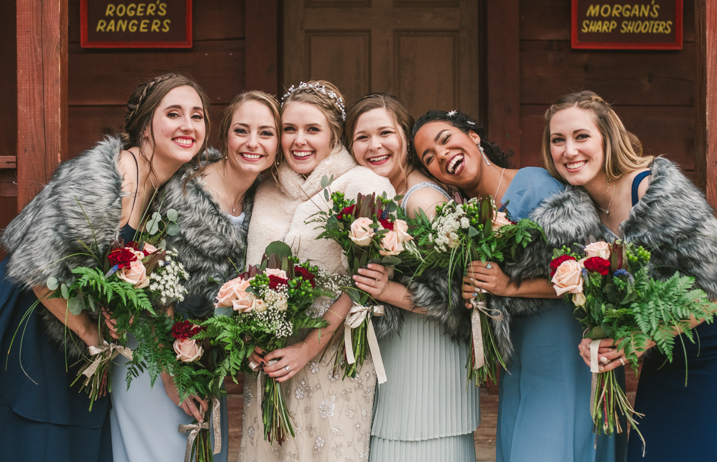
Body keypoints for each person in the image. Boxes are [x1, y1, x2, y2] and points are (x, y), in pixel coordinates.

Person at [0, 73, 208, 462]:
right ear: (146, 128)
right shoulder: (112, 176)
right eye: (174, 114)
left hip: (77, 340)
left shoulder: (167, 192)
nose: (188, 125)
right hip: (27, 325)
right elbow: (36, 264)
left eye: (198, 115)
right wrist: (89, 331)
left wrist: (171, 373)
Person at [545, 91, 717, 461]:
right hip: (665, 359)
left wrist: (640, 341)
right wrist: (599, 337)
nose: (569, 150)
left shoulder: (652, 188)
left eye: (581, 136)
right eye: (558, 140)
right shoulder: (574, 214)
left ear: (607, 138)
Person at [412, 110, 625, 462]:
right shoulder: (457, 218)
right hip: (518, 356)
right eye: (429, 158)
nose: (441, 156)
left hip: (564, 346)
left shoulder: (535, 185)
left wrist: (508, 286)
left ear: (473, 137)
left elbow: (588, 273)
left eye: (445, 139)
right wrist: (472, 291)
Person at [109, 91, 281, 461]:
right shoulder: (185, 195)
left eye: (266, 133)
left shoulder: (259, 201)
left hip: (202, 359)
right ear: (225, 135)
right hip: (155, 359)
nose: (253, 143)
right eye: (242, 131)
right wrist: (172, 375)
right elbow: (153, 287)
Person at [239, 81, 394, 462]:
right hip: (270, 361)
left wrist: (307, 349)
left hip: (333, 356)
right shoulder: (265, 187)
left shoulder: (364, 185)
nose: (299, 141)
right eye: (289, 129)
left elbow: (363, 283)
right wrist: (249, 338)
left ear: (334, 135)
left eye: (312, 129)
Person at [344, 94, 479, 461]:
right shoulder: (386, 195)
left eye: (385, 133)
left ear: (405, 137)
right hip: (399, 354)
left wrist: (387, 290)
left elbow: (461, 297)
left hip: (428, 358)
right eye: (362, 137)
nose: (375, 146)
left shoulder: (421, 200)